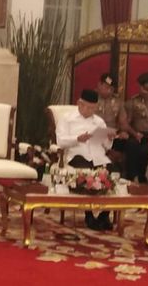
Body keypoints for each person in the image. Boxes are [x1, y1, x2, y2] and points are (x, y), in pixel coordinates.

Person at [56, 89, 117, 231]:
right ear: (79, 104)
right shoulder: (67, 119)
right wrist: (77, 139)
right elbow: (60, 141)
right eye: (87, 107)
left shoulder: (99, 121)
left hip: (98, 156)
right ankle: (88, 215)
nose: (89, 111)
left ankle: (104, 215)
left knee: (112, 174)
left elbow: (106, 146)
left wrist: (109, 139)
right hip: (77, 156)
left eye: (92, 108)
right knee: (86, 174)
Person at [95, 73, 130, 157]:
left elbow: (123, 122)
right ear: (99, 84)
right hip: (94, 134)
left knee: (130, 145)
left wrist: (124, 132)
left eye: (111, 88)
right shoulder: (90, 98)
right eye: (106, 87)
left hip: (112, 135)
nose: (109, 91)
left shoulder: (118, 102)